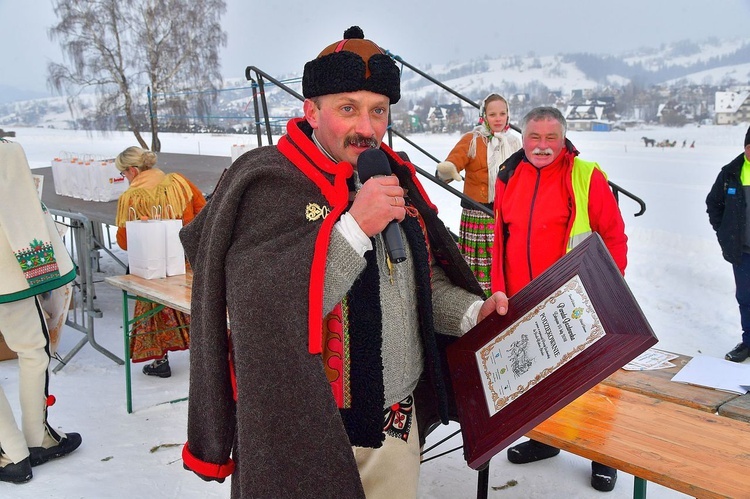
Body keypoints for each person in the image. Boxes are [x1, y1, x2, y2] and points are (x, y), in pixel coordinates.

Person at [179, 26, 510, 498]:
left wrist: (474, 313)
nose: (367, 127)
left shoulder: (389, 173)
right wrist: (354, 229)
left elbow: (420, 284)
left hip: (395, 419)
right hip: (304, 433)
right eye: (347, 109)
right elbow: (267, 315)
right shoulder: (267, 182)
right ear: (311, 111)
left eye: (378, 111)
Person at [490, 106, 628, 492]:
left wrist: (606, 291)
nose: (542, 146)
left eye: (552, 138)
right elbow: (502, 238)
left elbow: (614, 237)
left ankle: (602, 453)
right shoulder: (508, 175)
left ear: (564, 140)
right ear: (524, 137)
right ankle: (545, 439)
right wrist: (499, 288)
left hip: (578, 301)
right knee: (536, 378)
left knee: (591, 379)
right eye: (535, 137)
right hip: (523, 300)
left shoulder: (585, 175)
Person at [0, 140, 82, 484]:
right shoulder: (7, 151)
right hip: (9, 271)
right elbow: (21, 206)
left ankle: (11, 452)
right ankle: (37, 438)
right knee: (33, 351)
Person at [114, 146, 206, 378]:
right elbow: (203, 211)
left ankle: (160, 360)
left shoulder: (130, 198)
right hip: (186, 260)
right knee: (196, 305)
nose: (124, 178)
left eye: (123, 173)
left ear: (133, 170)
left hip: (151, 267)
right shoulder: (179, 182)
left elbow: (125, 242)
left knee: (151, 311)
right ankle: (210, 354)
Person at [436, 93, 521, 296]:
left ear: (508, 115)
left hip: (505, 211)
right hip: (478, 212)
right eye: (493, 114)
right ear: (484, 116)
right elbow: (454, 162)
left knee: (503, 259)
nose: (498, 118)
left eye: (502, 113)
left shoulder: (515, 143)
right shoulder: (472, 140)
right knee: (479, 263)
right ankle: (479, 298)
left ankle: (502, 294)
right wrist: (448, 170)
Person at [706, 126, 750, 363]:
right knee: (746, 298)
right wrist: (725, 232)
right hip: (742, 252)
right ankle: (749, 342)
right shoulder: (731, 173)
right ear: (745, 147)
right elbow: (714, 204)